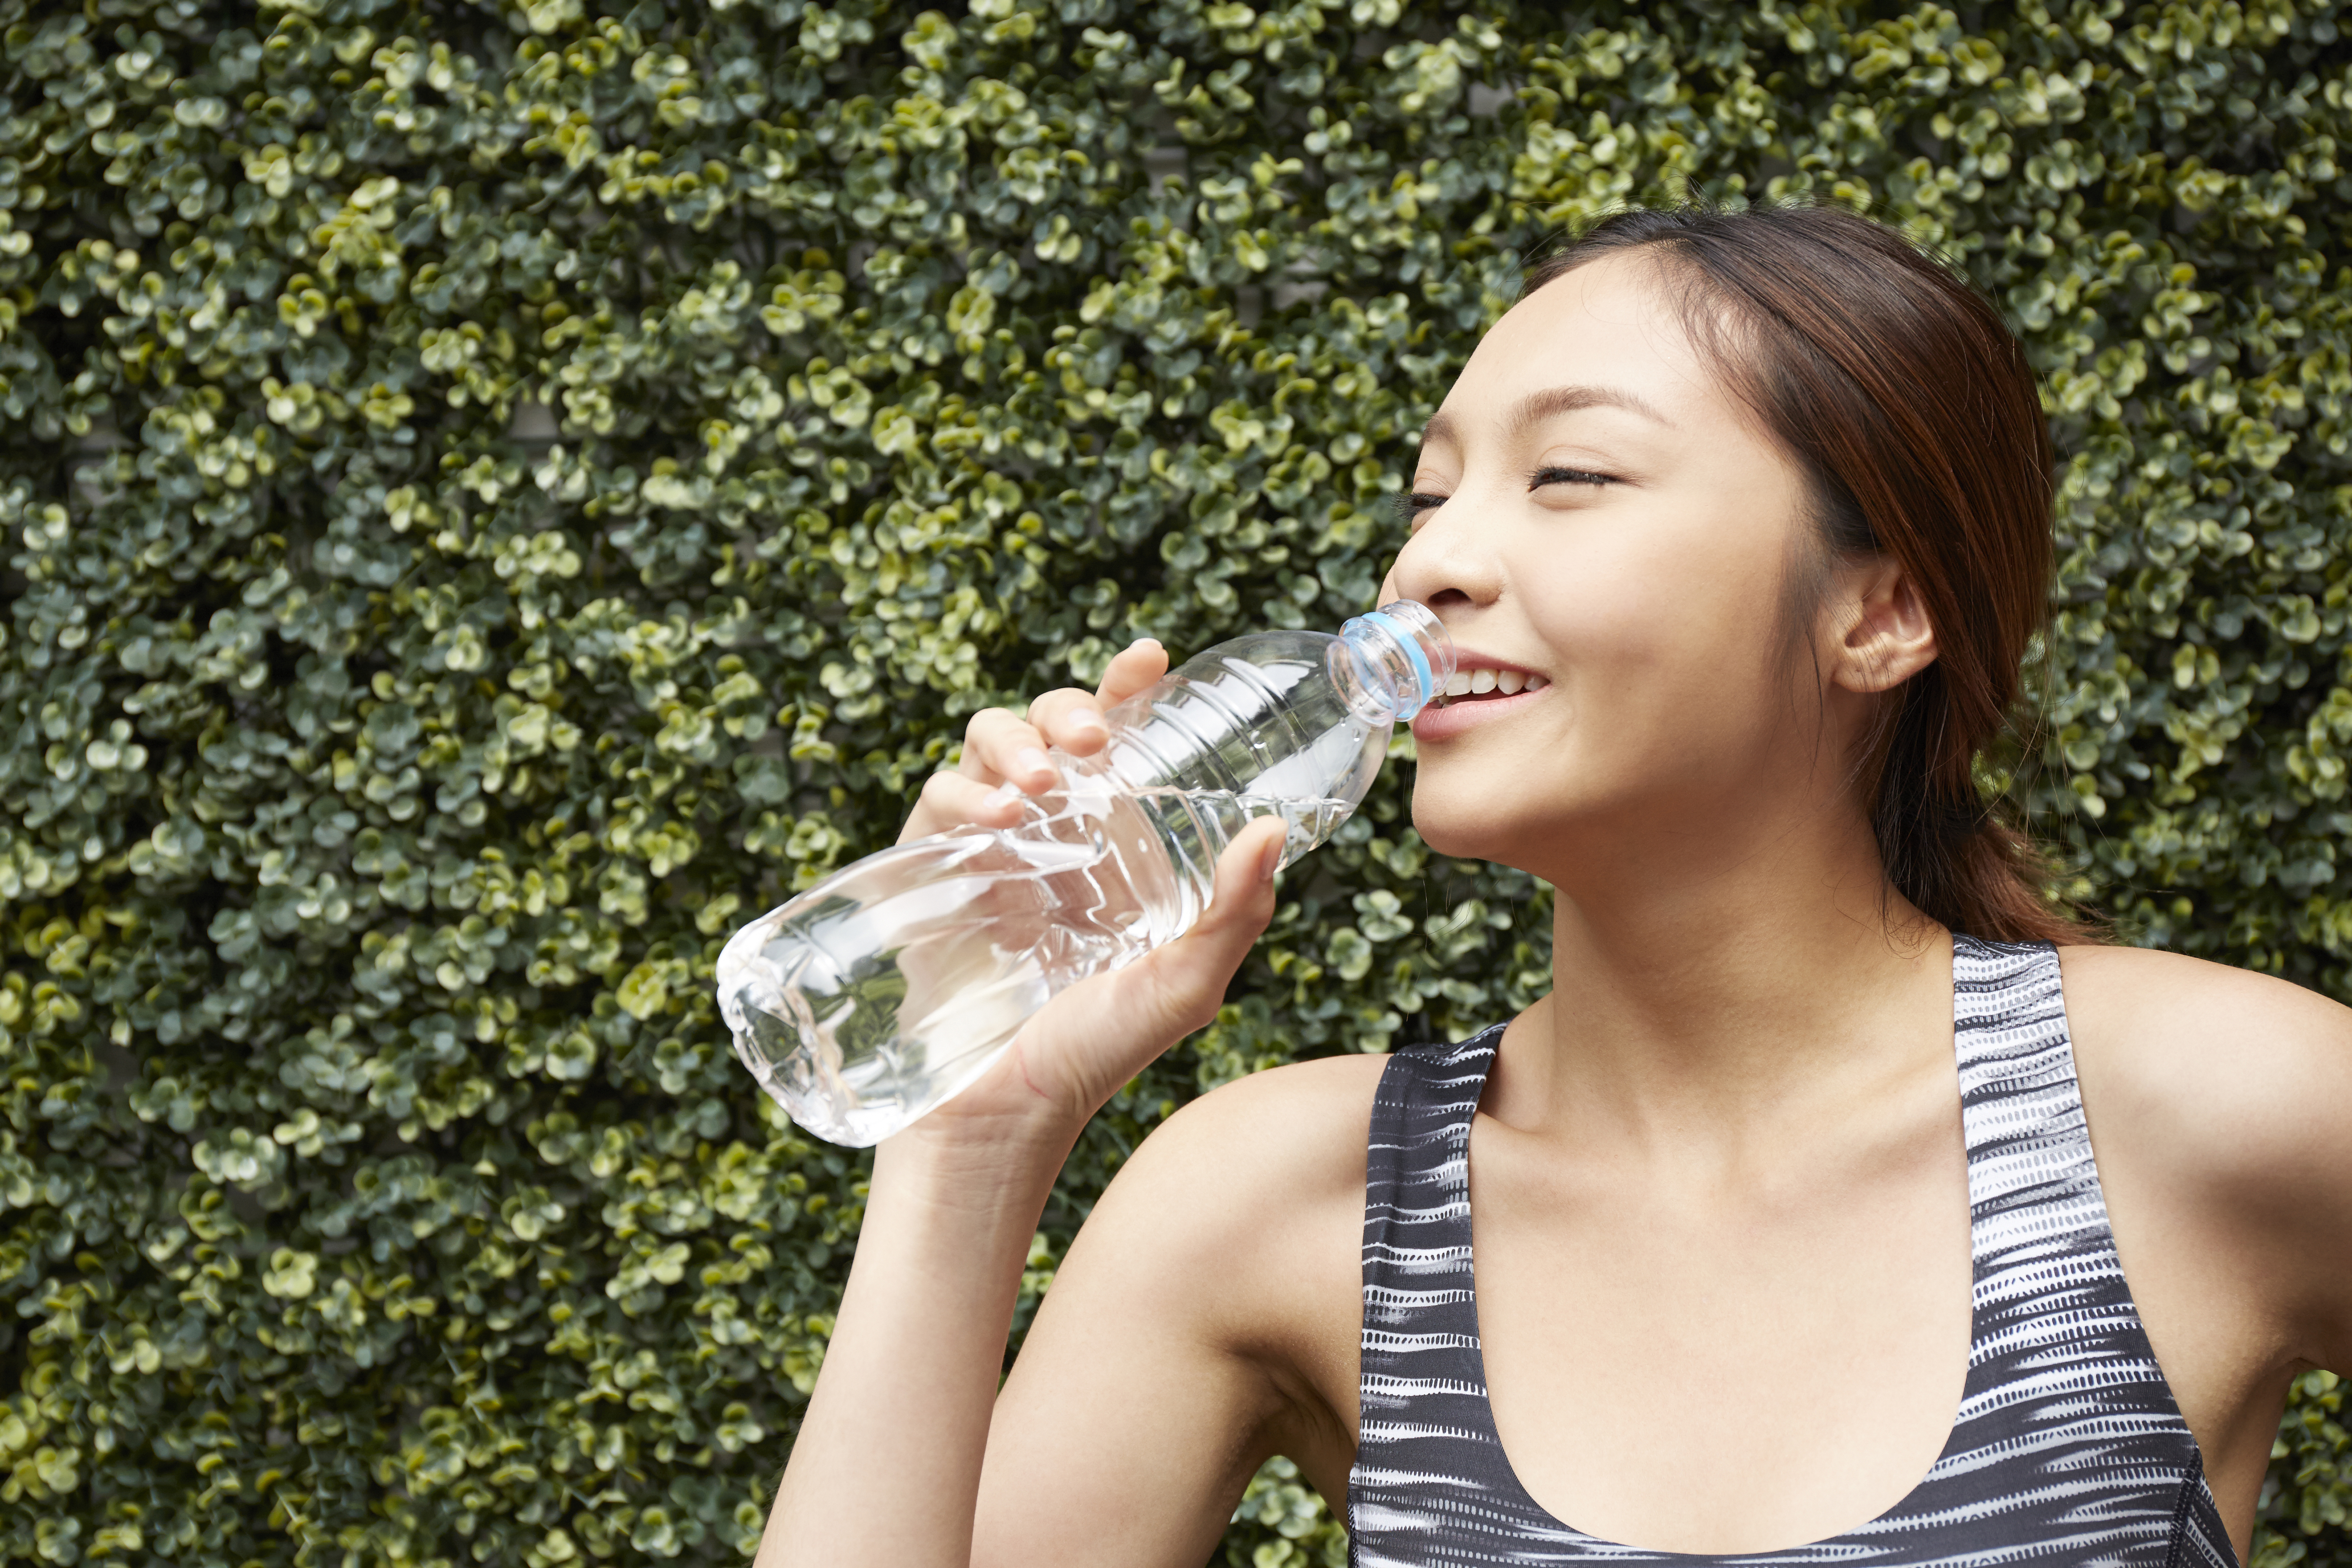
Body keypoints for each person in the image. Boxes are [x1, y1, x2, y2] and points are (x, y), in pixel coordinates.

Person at [753, 203, 2352, 1568]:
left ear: (1883, 612)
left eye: (1572, 476)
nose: (1428, 565)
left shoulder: (2215, 1112)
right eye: (1430, 497)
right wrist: (973, 1139)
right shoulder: (1284, 1202)